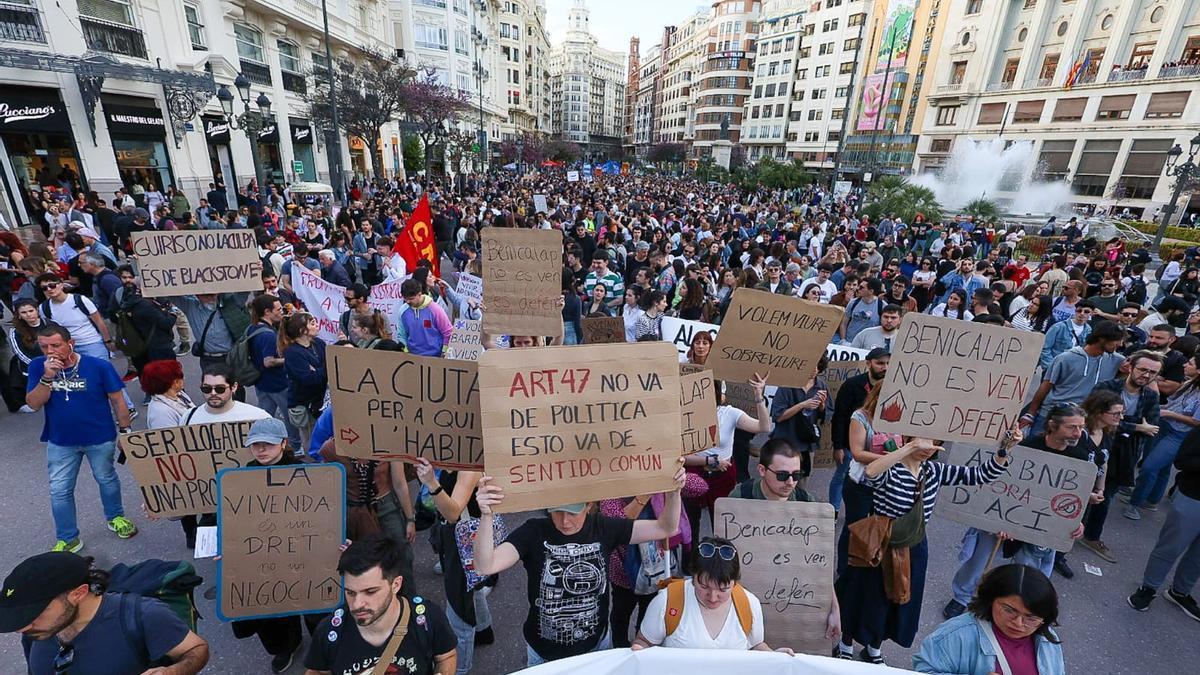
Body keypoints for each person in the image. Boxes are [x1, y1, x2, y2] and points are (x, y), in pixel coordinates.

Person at [472, 463, 687, 666]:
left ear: (589, 505)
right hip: (543, 654)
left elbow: (666, 528)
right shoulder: (533, 531)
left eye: (573, 512)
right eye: (557, 511)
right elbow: (485, 566)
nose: (565, 521)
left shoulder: (603, 527)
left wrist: (673, 492)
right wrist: (486, 515)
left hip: (595, 649)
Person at [836, 434, 1014, 664]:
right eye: (923, 440)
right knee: (863, 597)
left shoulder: (935, 471)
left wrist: (1004, 450)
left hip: (913, 548)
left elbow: (980, 475)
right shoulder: (891, 468)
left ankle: (873, 649)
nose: (929, 446)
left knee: (897, 602)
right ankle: (845, 644)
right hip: (879, 546)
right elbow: (870, 472)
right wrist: (909, 448)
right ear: (910, 437)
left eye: (934, 442)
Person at [0, 551, 209, 674]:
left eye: (35, 612)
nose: (22, 627)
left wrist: (173, 671)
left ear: (78, 593)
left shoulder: (143, 615)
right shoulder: (36, 630)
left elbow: (197, 649)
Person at [25, 323, 137, 552]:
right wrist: (47, 377)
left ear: (71, 343)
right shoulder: (38, 366)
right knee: (60, 490)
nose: (50, 351)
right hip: (60, 441)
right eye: (44, 346)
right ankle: (68, 538)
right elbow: (34, 404)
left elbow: (118, 400)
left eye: (56, 345)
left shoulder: (98, 366)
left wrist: (125, 431)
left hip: (99, 437)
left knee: (106, 479)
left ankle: (116, 517)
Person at [304, 535, 458, 675]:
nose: (357, 604)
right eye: (350, 593)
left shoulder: (427, 619)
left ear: (396, 585)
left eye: (370, 592)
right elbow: (317, 672)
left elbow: (446, 657)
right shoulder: (330, 631)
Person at [231, 418, 309, 672]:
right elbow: (231, 516)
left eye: (268, 444)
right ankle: (287, 646)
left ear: (284, 443)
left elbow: (326, 510)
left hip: (304, 548)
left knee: (312, 599)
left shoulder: (308, 473)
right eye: (256, 445)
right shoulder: (243, 475)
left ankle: (323, 644)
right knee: (273, 603)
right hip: (263, 552)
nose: (261, 449)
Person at [630, 537, 793, 653]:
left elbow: (755, 646)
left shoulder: (749, 604)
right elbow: (645, 641)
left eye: (723, 589)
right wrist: (639, 649)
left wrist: (775, 657)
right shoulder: (668, 601)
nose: (713, 597)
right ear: (692, 577)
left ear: (735, 582)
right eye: (704, 586)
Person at [914, 564, 1065, 675]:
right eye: (1009, 610)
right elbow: (924, 670)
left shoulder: (1047, 638)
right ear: (991, 599)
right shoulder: (955, 635)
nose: (1018, 623)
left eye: (1031, 618)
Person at [683, 374, 772, 557]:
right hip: (693, 474)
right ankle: (690, 564)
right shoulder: (685, 415)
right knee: (690, 523)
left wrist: (758, 396)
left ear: (716, 393)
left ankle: (723, 561)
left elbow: (764, 427)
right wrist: (708, 461)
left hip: (722, 477)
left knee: (723, 524)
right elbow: (680, 456)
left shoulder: (730, 413)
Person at [1127, 423, 1200, 621]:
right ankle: (1148, 588)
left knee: (1198, 556)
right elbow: (1182, 460)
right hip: (1193, 496)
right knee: (1171, 546)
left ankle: (1180, 592)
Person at [35, 273, 134, 415]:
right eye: (45, 288)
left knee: (106, 375)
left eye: (52, 285)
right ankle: (101, 408)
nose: (49, 289)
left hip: (91, 343)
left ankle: (127, 408)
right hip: (68, 348)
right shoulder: (44, 308)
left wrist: (107, 341)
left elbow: (99, 321)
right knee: (84, 379)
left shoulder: (79, 300)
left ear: (61, 284)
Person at [1125, 353, 1200, 520]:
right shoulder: (1189, 384)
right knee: (1162, 467)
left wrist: (1170, 414)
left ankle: (1135, 503)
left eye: (1190, 363)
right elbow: (1172, 404)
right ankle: (1152, 499)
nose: (1185, 365)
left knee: (1149, 466)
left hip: (1179, 434)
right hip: (1164, 426)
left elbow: (1197, 421)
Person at [1023, 320, 1127, 437]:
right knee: (1034, 447)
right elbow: (1045, 386)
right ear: (1102, 339)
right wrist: (1030, 414)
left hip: (1082, 421)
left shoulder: (1116, 360)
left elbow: (1133, 368)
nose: (1120, 344)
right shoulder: (1065, 358)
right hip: (1052, 415)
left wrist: (1125, 370)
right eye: (1117, 340)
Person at [830, 347, 890, 511]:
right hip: (850, 445)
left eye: (887, 363)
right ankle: (833, 510)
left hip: (877, 447)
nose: (885, 367)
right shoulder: (851, 385)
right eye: (880, 363)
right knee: (841, 476)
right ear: (868, 363)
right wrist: (838, 446)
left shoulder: (891, 387)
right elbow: (839, 416)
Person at [1073, 390, 1126, 564]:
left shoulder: (1107, 433)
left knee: (1075, 527)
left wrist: (1100, 488)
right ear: (1099, 412)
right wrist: (1084, 494)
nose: (1120, 417)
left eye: (1122, 413)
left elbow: (1104, 463)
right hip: (1071, 488)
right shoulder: (1078, 434)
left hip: (1089, 492)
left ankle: (1060, 557)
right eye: (1116, 413)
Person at [246, 293, 298, 448]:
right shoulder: (268, 336)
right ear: (267, 312)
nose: (281, 311)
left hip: (262, 382)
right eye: (278, 309)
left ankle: (259, 440)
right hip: (277, 384)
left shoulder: (253, 328)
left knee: (264, 416)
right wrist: (290, 359)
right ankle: (295, 446)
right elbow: (268, 361)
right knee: (290, 417)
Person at [769, 358, 830, 479]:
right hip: (785, 442)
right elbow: (778, 416)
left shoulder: (821, 386)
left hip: (806, 444)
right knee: (780, 479)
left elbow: (826, 417)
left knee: (801, 482)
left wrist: (822, 407)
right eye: (812, 364)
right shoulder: (788, 385)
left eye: (818, 365)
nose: (815, 369)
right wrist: (802, 405)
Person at [280, 312, 327, 450]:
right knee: (311, 439)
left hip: (322, 401)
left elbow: (329, 366)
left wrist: (317, 370)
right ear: (302, 330)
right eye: (312, 323)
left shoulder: (319, 343)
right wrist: (323, 370)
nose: (317, 325)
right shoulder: (293, 353)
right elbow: (309, 378)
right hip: (305, 404)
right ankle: (313, 461)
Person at [397, 278, 453, 356]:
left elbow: (448, 332)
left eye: (411, 299)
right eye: (405, 298)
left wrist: (444, 352)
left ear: (419, 294)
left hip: (435, 356)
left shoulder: (435, 309)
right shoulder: (402, 310)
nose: (407, 301)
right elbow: (401, 336)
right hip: (412, 356)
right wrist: (406, 352)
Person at [5, 298, 43, 413]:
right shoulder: (15, 331)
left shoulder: (50, 324)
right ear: (19, 315)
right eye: (24, 312)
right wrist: (37, 365)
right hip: (30, 367)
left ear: (37, 310)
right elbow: (19, 352)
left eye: (31, 311)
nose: (29, 315)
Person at [1038, 300, 1094, 371]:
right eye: (1079, 311)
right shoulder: (1059, 327)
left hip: (1072, 370)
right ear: (1075, 311)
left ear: (1091, 313)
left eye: (1086, 312)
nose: (1082, 314)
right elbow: (1045, 347)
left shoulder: (1089, 331)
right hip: (1054, 367)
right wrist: (1049, 366)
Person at [141, 359, 194, 429]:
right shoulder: (160, 414)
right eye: (181, 377)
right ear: (175, 383)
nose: (184, 378)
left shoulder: (179, 394)